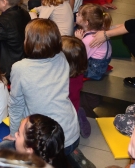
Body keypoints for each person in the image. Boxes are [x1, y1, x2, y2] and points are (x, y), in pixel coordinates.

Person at [6, 19, 81, 156]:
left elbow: (16, 105)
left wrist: (13, 133)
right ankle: (71, 157)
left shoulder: (20, 68)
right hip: (72, 133)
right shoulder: (62, 57)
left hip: (49, 142)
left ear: (29, 42)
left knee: (9, 148)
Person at [61, 37, 90, 139]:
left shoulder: (61, 80)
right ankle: (78, 113)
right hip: (73, 106)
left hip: (65, 112)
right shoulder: (77, 72)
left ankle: (78, 115)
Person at [75, 4, 112, 81]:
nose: (76, 14)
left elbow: (81, 58)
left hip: (94, 71)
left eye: (79, 14)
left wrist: (78, 41)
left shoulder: (89, 40)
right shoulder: (100, 31)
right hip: (101, 65)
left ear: (86, 22)